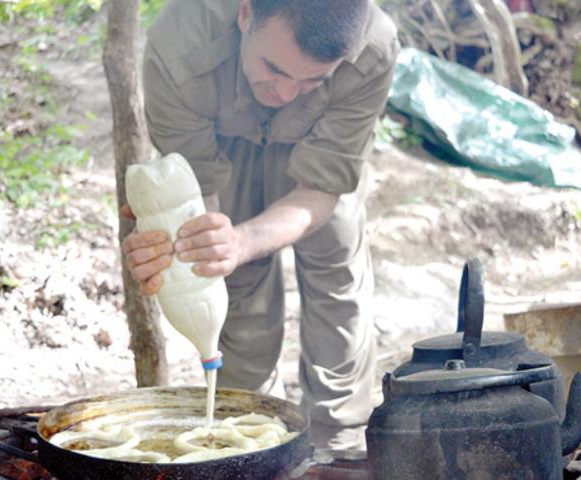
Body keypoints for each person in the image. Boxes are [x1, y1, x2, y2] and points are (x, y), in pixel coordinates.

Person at [122, 0, 399, 450]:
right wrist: (204, 245)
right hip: (221, 155)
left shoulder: (372, 48)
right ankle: (250, 441)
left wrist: (245, 240)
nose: (288, 93)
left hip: (317, 170)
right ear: (246, 14)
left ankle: (339, 452)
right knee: (237, 299)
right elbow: (197, 200)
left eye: (313, 79)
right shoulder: (180, 39)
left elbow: (322, 187)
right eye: (273, 68)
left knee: (338, 295)